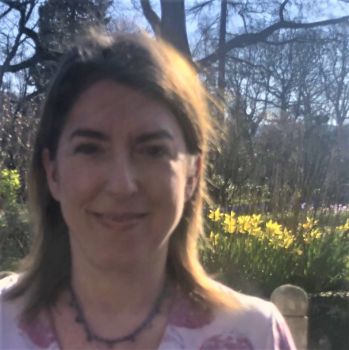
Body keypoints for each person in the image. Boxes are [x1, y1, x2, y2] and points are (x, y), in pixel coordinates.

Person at [0, 30, 296, 350]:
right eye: (90, 149)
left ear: (192, 175)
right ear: (53, 172)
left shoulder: (256, 334)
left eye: (153, 150)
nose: (122, 184)